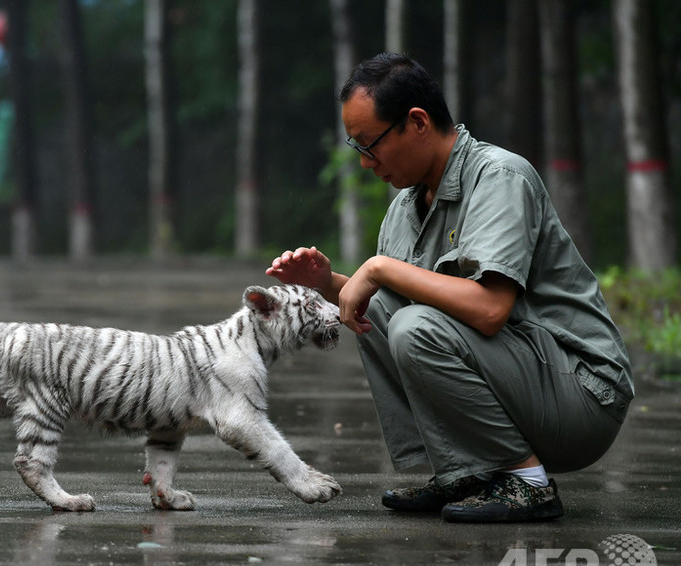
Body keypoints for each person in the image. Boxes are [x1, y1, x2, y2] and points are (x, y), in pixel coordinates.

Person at [267, 53, 633, 523]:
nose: (365, 164)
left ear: (416, 122)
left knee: (414, 326)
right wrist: (327, 283)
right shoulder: (405, 207)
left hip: (581, 395)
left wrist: (376, 269)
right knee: (381, 316)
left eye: (369, 145)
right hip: (524, 381)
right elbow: (391, 298)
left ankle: (526, 482)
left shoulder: (499, 176)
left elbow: (489, 310)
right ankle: (466, 472)